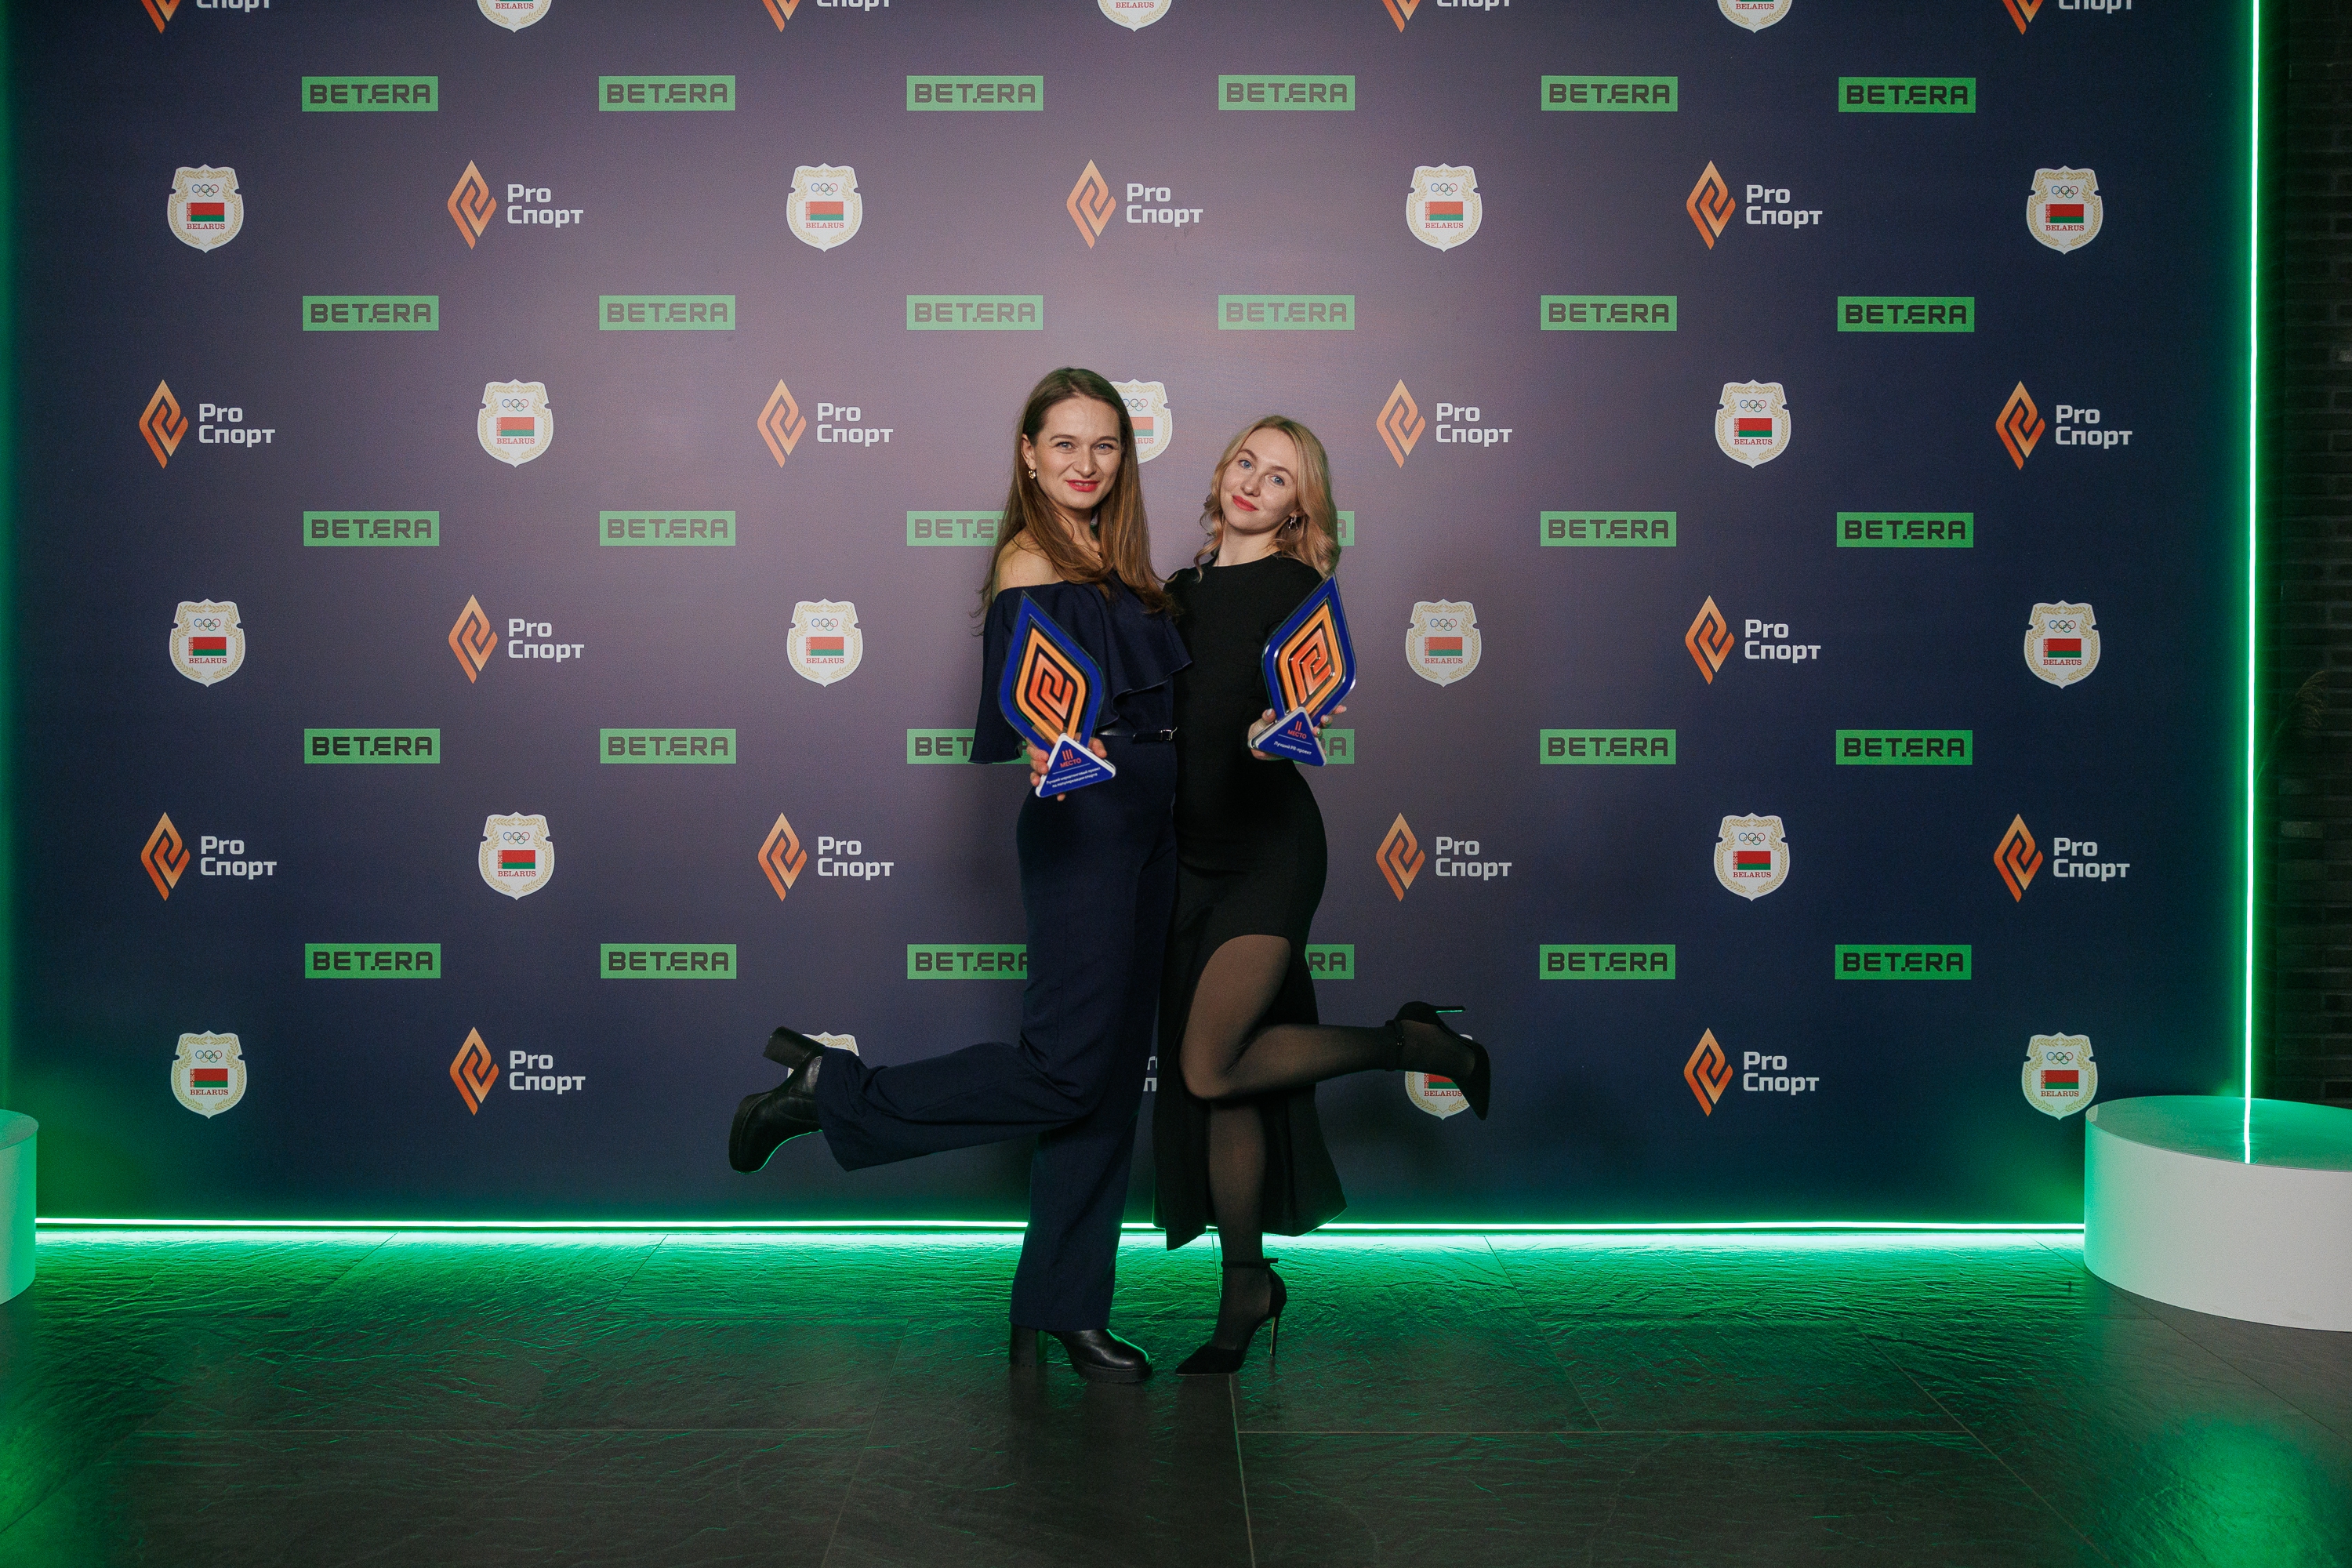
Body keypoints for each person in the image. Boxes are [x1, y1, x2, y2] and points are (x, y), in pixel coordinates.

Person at [728, 368, 1187, 1385]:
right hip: (1088, 823)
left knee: (1108, 1084)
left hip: (1152, 825)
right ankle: (832, 1090)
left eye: (1104, 444)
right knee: (1066, 1071)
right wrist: (1043, 742)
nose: (1085, 463)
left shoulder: (1121, 562)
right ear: (1028, 453)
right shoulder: (1032, 559)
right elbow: (1034, 699)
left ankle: (1065, 1306)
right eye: (1064, 443)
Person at [1149, 416, 1492, 1375]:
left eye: (1280, 477)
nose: (1255, 483)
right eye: (1247, 462)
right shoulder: (1173, 593)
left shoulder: (1298, 591)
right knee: (1229, 1081)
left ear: (1300, 508)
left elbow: (1304, 702)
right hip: (1185, 863)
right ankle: (1244, 1289)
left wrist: (1288, 724)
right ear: (1222, 472)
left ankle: (1411, 1042)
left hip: (1269, 853)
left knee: (1209, 1064)